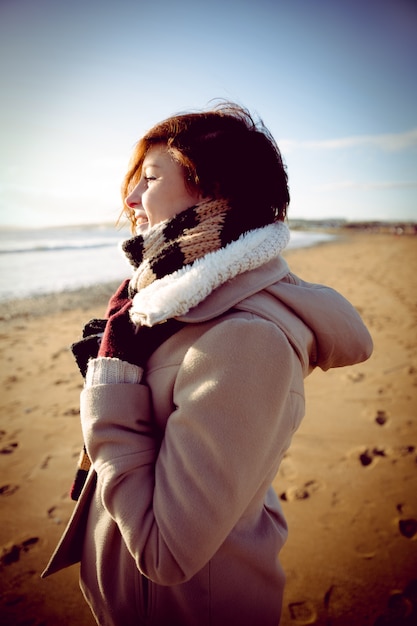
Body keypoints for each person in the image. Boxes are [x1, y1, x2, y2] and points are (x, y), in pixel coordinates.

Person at [42, 102, 373, 625]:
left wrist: (112, 376)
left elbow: (166, 553)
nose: (131, 198)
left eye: (150, 178)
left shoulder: (246, 341)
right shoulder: (160, 303)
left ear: (218, 191)